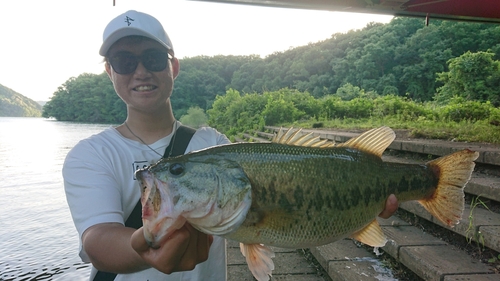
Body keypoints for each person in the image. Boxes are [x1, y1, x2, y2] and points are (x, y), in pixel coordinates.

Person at [63, 10, 399, 281]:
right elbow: (98, 242)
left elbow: (276, 213)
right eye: (124, 62)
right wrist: (141, 247)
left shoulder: (211, 143)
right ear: (110, 72)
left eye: (152, 58)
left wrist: (355, 211)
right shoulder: (91, 155)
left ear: (173, 67)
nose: (139, 71)